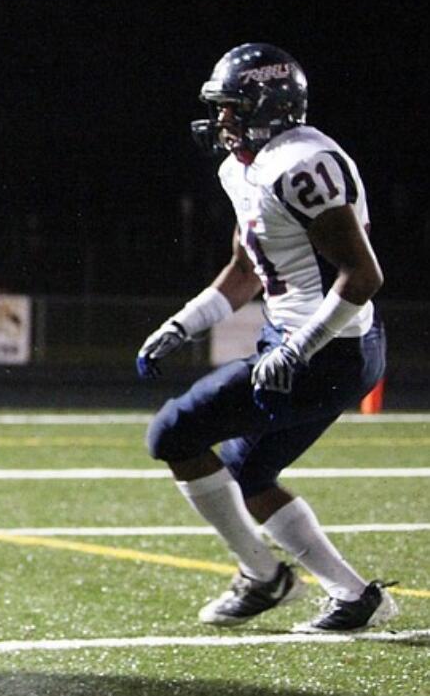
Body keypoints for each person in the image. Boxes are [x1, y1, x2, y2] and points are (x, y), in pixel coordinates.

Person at [137, 43, 395, 633]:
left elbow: (364, 275)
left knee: (174, 432)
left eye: (232, 106)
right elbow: (247, 269)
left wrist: (296, 349)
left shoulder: (299, 164)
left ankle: (262, 575)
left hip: (328, 346)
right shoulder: (243, 166)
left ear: (268, 106)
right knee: (247, 473)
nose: (222, 120)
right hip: (309, 343)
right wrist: (183, 324)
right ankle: (352, 597)